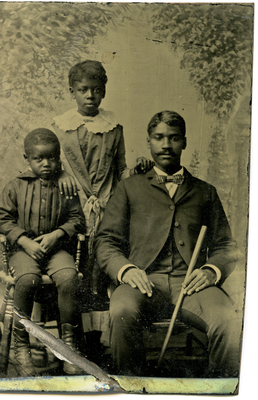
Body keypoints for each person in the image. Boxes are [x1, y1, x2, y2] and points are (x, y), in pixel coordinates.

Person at [95, 110, 241, 378]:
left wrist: (210, 271)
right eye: (159, 138)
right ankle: (131, 388)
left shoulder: (205, 191)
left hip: (191, 286)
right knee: (121, 311)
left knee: (229, 321)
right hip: (142, 281)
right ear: (149, 141)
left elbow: (226, 247)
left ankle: (219, 389)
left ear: (184, 142)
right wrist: (126, 270)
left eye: (173, 138)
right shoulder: (129, 188)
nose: (166, 145)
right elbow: (105, 242)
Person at [0, 129, 86, 376]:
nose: (47, 164)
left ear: (59, 157)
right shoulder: (16, 186)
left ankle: (68, 345)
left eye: (53, 158)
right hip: (24, 252)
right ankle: (21, 346)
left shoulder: (64, 186)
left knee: (68, 278)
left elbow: (78, 219)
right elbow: (2, 218)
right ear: (27, 158)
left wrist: (57, 234)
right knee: (27, 280)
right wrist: (24, 241)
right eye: (39, 159)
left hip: (56, 251)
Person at [52, 60, 153, 268]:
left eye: (97, 90)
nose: (90, 95)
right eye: (83, 90)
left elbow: (120, 172)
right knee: (70, 261)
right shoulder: (61, 127)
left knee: (100, 259)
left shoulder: (113, 128)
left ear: (104, 92)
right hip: (69, 204)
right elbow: (46, 163)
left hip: (105, 206)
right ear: (73, 92)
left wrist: (137, 169)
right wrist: (60, 174)